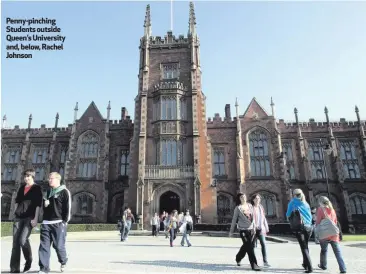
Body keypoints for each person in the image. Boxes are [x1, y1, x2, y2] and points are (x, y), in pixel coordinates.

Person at [10, 169, 43, 273]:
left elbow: (38, 205)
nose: (26, 178)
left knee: (22, 240)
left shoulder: (37, 188)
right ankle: (14, 268)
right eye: (25, 176)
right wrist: (15, 212)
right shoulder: (21, 188)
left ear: (32, 177)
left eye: (28, 176)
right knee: (15, 243)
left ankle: (28, 260)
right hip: (18, 217)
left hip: (29, 217)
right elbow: (17, 201)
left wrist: (36, 218)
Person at [38, 172, 71, 274]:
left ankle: (63, 261)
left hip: (58, 223)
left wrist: (64, 222)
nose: (49, 180)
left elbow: (68, 208)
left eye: (51, 178)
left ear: (57, 179)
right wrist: (45, 205)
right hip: (46, 223)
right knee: (44, 246)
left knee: (58, 246)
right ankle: (44, 268)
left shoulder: (65, 192)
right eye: (49, 178)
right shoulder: (47, 192)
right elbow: (44, 207)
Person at [229, 193, 261, 271]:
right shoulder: (238, 208)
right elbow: (234, 220)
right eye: (241, 197)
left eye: (244, 196)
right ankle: (254, 264)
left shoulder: (250, 206)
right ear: (239, 199)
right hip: (243, 230)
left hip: (252, 230)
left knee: (246, 246)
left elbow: (253, 217)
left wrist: (255, 226)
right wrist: (231, 231)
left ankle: (238, 258)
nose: (243, 198)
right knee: (250, 248)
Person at [316, 196, 347, 273]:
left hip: (324, 233)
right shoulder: (332, 210)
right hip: (334, 234)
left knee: (324, 250)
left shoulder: (320, 209)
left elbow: (318, 222)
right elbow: (335, 222)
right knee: (337, 252)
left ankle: (323, 265)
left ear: (320, 202)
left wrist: (317, 230)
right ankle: (343, 268)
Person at [286, 189, 313, 273]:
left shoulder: (293, 202)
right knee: (306, 246)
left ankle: (310, 267)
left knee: (304, 247)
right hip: (309, 227)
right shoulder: (306, 203)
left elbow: (288, 214)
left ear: (294, 195)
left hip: (300, 227)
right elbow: (310, 216)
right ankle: (305, 264)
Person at [251, 194, 270, 267]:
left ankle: (265, 261)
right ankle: (253, 261)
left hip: (261, 229)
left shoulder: (261, 207)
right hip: (253, 230)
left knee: (263, 244)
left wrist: (266, 226)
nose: (257, 200)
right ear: (253, 199)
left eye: (258, 198)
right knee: (252, 246)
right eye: (256, 198)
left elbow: (263, 217)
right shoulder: (251, 208)